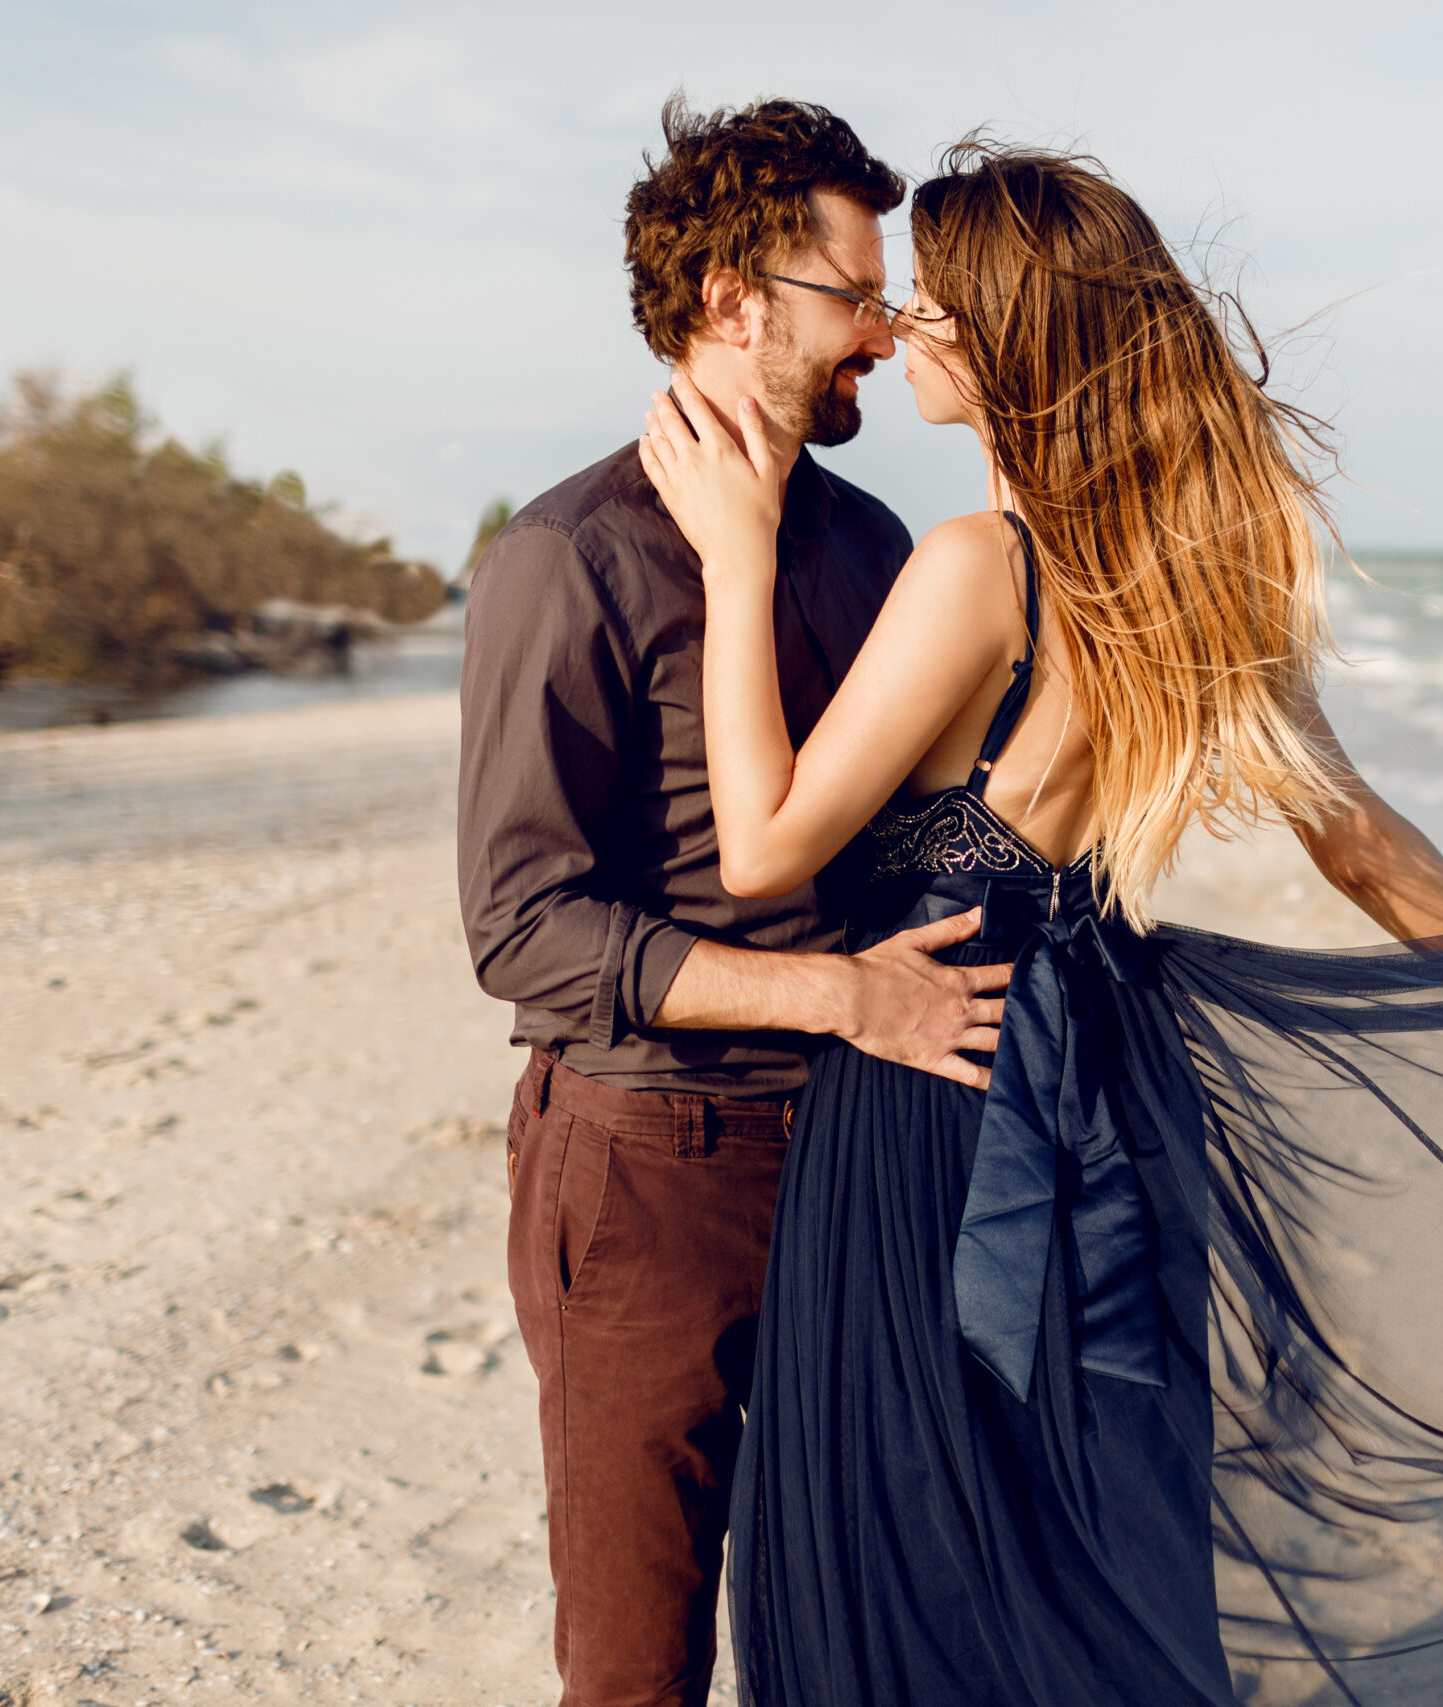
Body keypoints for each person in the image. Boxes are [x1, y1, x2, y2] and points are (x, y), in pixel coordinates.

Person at [641, 142, 1443, 1707]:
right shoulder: (1177, 578)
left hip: (935, 1091)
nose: (899, 330)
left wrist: (735, 555)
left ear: (1006, 341)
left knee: (923, 1527)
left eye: (930, 306)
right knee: (1086, 1506)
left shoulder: (977, 569)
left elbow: (772, 846)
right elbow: (1362, 842)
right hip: (1105, 1085)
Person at [455, 99, 1014, 1707]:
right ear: (731, 300)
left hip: (865, 1148)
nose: (886, 332)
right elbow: (523, 928)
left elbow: (916, 837)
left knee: (868, 1617)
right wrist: (840, 993)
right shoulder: (565, 558)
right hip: (647, 1174)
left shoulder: (876, 544)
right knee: (639, 1663)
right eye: (857, 295)